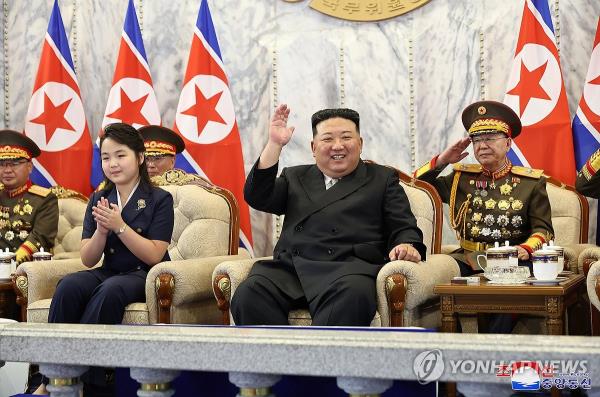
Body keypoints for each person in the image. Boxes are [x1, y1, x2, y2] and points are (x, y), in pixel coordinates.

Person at [231, 104, 426, 327]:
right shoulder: (295, 176)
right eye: (327, 139)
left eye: (346, 137)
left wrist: (407, 244)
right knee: (249, 295)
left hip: (348, 271)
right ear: (313, 147)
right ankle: (278, 361)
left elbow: (403, 225)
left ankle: (319, 362)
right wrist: (274, 144)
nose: (337, 146)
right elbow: (257, 196)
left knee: (351, 299)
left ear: (360, 144)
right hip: (291, 269)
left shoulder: (382, 179)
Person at [39, 123, 174, 395]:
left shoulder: (160, 199)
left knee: (109, 291)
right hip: (109, 269)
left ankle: (87, 383)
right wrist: (101, 231)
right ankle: (50, 377)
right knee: (69, 286)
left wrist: (119, 226)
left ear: (139, 157)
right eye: (105, 157)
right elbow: (88, 259)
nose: (112, 164)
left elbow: (155, 254)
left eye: (120, 155)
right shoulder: (99, 197)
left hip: (143, 274)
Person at [414, 100, 554, 333]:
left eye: (490, 138)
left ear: (508, 143)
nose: (482, 145)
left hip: (512, 260)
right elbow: (416, 187)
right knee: (444, 278)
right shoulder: (461, 179)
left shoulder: (530, 183)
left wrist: (526, 248)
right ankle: (455, 349)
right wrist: (443, 161)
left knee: (505, 285)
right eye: (476, 140)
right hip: (468, 258)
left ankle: (494, 353)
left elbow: (544, 229)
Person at [0, 129, 58, 263]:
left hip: (28, 268)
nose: (7, 170)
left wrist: (9, 262)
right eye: (2, 164)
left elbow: (40, 238)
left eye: (14, 164)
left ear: (30, 167)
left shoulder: (44, 199)